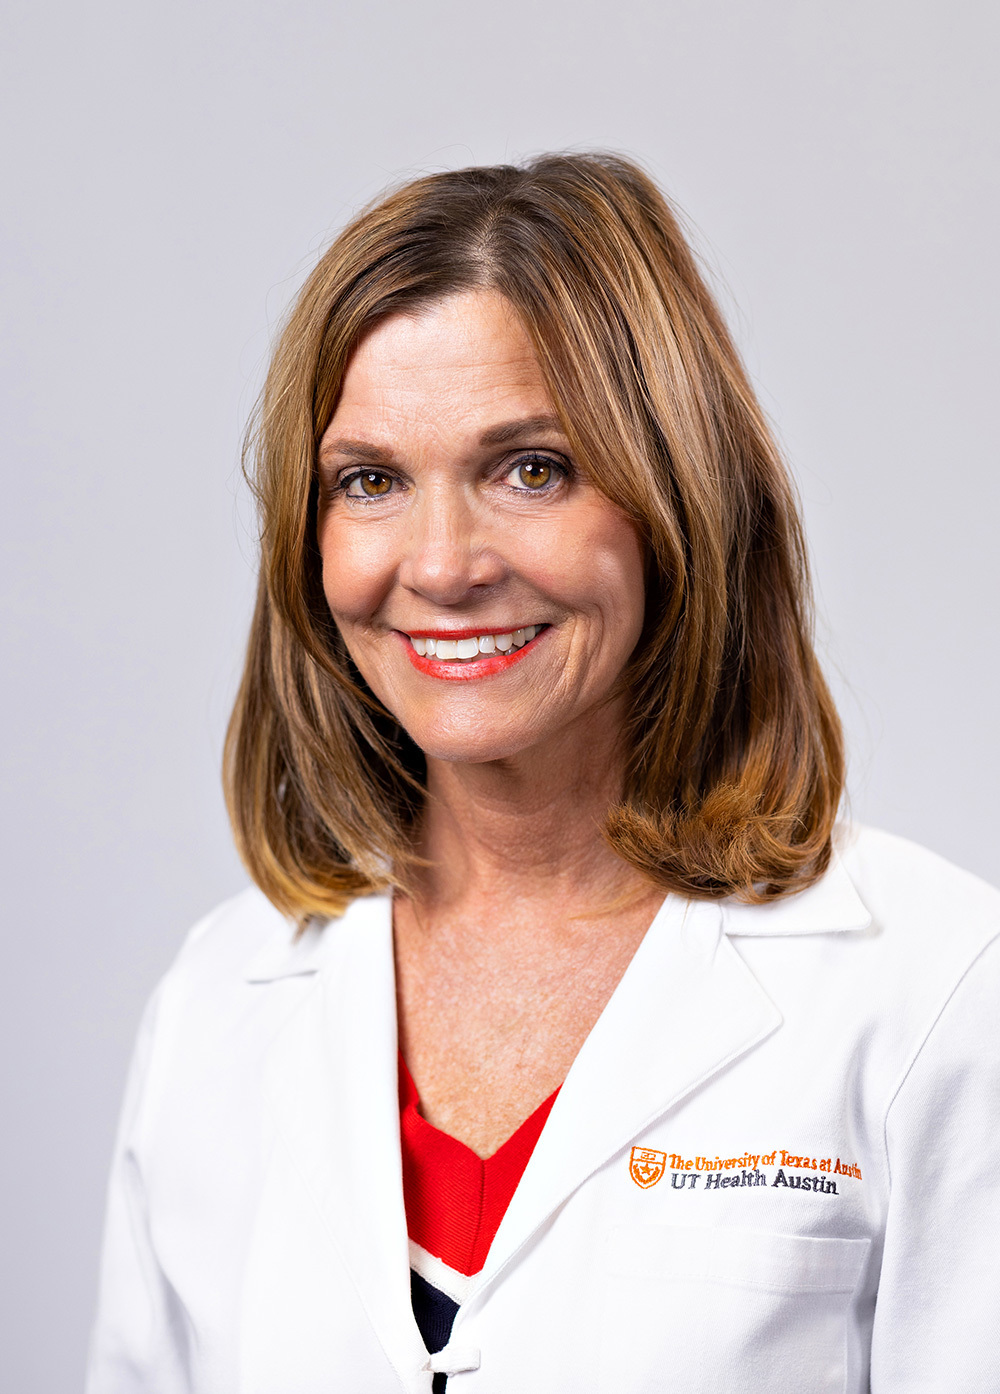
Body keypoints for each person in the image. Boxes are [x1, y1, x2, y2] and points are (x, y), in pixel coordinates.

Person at [87, 153, 1000, 1393]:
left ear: (675, 496)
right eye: (370, 481)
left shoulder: (934, 989)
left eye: (532, 468)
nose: (444, 563)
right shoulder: (217, 1001)